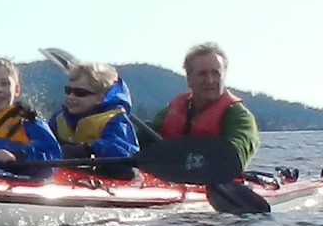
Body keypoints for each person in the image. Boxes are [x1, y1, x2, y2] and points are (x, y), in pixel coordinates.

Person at [151, 41, 260, 169]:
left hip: (218, 183)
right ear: (188, 79)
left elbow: (235, 154)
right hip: (168, 180)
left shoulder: (239, 117)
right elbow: (137, 140)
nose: (210, 80)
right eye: (202, 74)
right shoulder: (170, 112)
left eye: (215, 73)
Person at [51, 61, 141, 162]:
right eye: (68, 90)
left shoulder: (115, 121)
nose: (71, 97)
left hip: (101, 174)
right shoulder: (58, 119)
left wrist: (87, 150)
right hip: (65, 173)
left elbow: (125, 154)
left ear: (99, 99)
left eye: (80, 93)